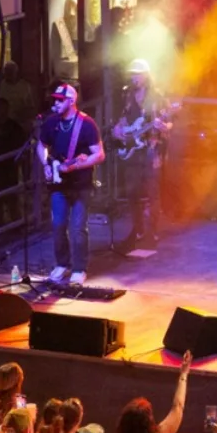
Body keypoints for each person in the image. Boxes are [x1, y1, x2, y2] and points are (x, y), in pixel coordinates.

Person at [39, 81, 104, 286]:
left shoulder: (86, 124)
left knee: (78, 227)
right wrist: (46, 165)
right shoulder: (51, 122)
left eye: (59, 100)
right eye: (54, 100)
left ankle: (79, 268)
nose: (55, 104)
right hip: (59, 184)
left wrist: (77, 166)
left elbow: (99, 154)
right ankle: (62, 264)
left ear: (71, 100)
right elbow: (41, 145)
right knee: (58, 225)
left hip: (81, 184)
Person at [111, 59, 173, 250]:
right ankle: (138, 230)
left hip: (151, 151)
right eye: (132, 73)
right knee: (132, 193)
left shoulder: (157, 97)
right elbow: (122, 118)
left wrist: (163, 126)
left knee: (152, 192)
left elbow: (169, 122)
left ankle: (152, 232)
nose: (134, 77)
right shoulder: (128, 95)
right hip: (133, 152)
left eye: (137, 74)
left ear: (146, 75)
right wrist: (118, 130)